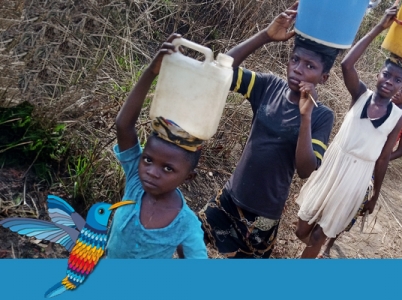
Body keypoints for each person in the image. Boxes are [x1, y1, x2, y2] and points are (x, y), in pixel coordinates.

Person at [198, 2, 337, 259]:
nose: (298, 68)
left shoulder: (321, 115)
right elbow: (222, 70)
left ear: (324, 77)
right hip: (230, 197)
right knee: (190, 241)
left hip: (262, 217)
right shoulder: (269, 86)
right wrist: (265, 36)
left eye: (310, 65)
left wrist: (305, 118)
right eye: (295, 59)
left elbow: (306, 170)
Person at [294, 6, 402, 259]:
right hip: (334, 163)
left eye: (397, 80)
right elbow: (347, 64)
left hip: (358, 176)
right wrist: (380, 27)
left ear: (401, 88)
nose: (390, 82)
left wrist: (374, 194)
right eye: (386, 75)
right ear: (378, 76)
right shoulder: (360, 95)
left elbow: (383, 158)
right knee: (301, 228)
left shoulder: (398, 118)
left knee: (318, 236)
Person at [106, 34, 208, 259]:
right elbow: (124, 125)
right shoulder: (135, 179)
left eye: (168, 169)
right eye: (148, 159)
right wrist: (152, 72)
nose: (151, 172)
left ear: (188, 177)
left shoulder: (186, 225)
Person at [319, 76, 402, 258]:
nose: (398, 93)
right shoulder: (376, 102)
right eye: (399, 89)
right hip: (352, 159)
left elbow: (400, 150)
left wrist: (379, 159)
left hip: (371, 166)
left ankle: (328, 244)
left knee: (351, 205)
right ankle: (315, 228)